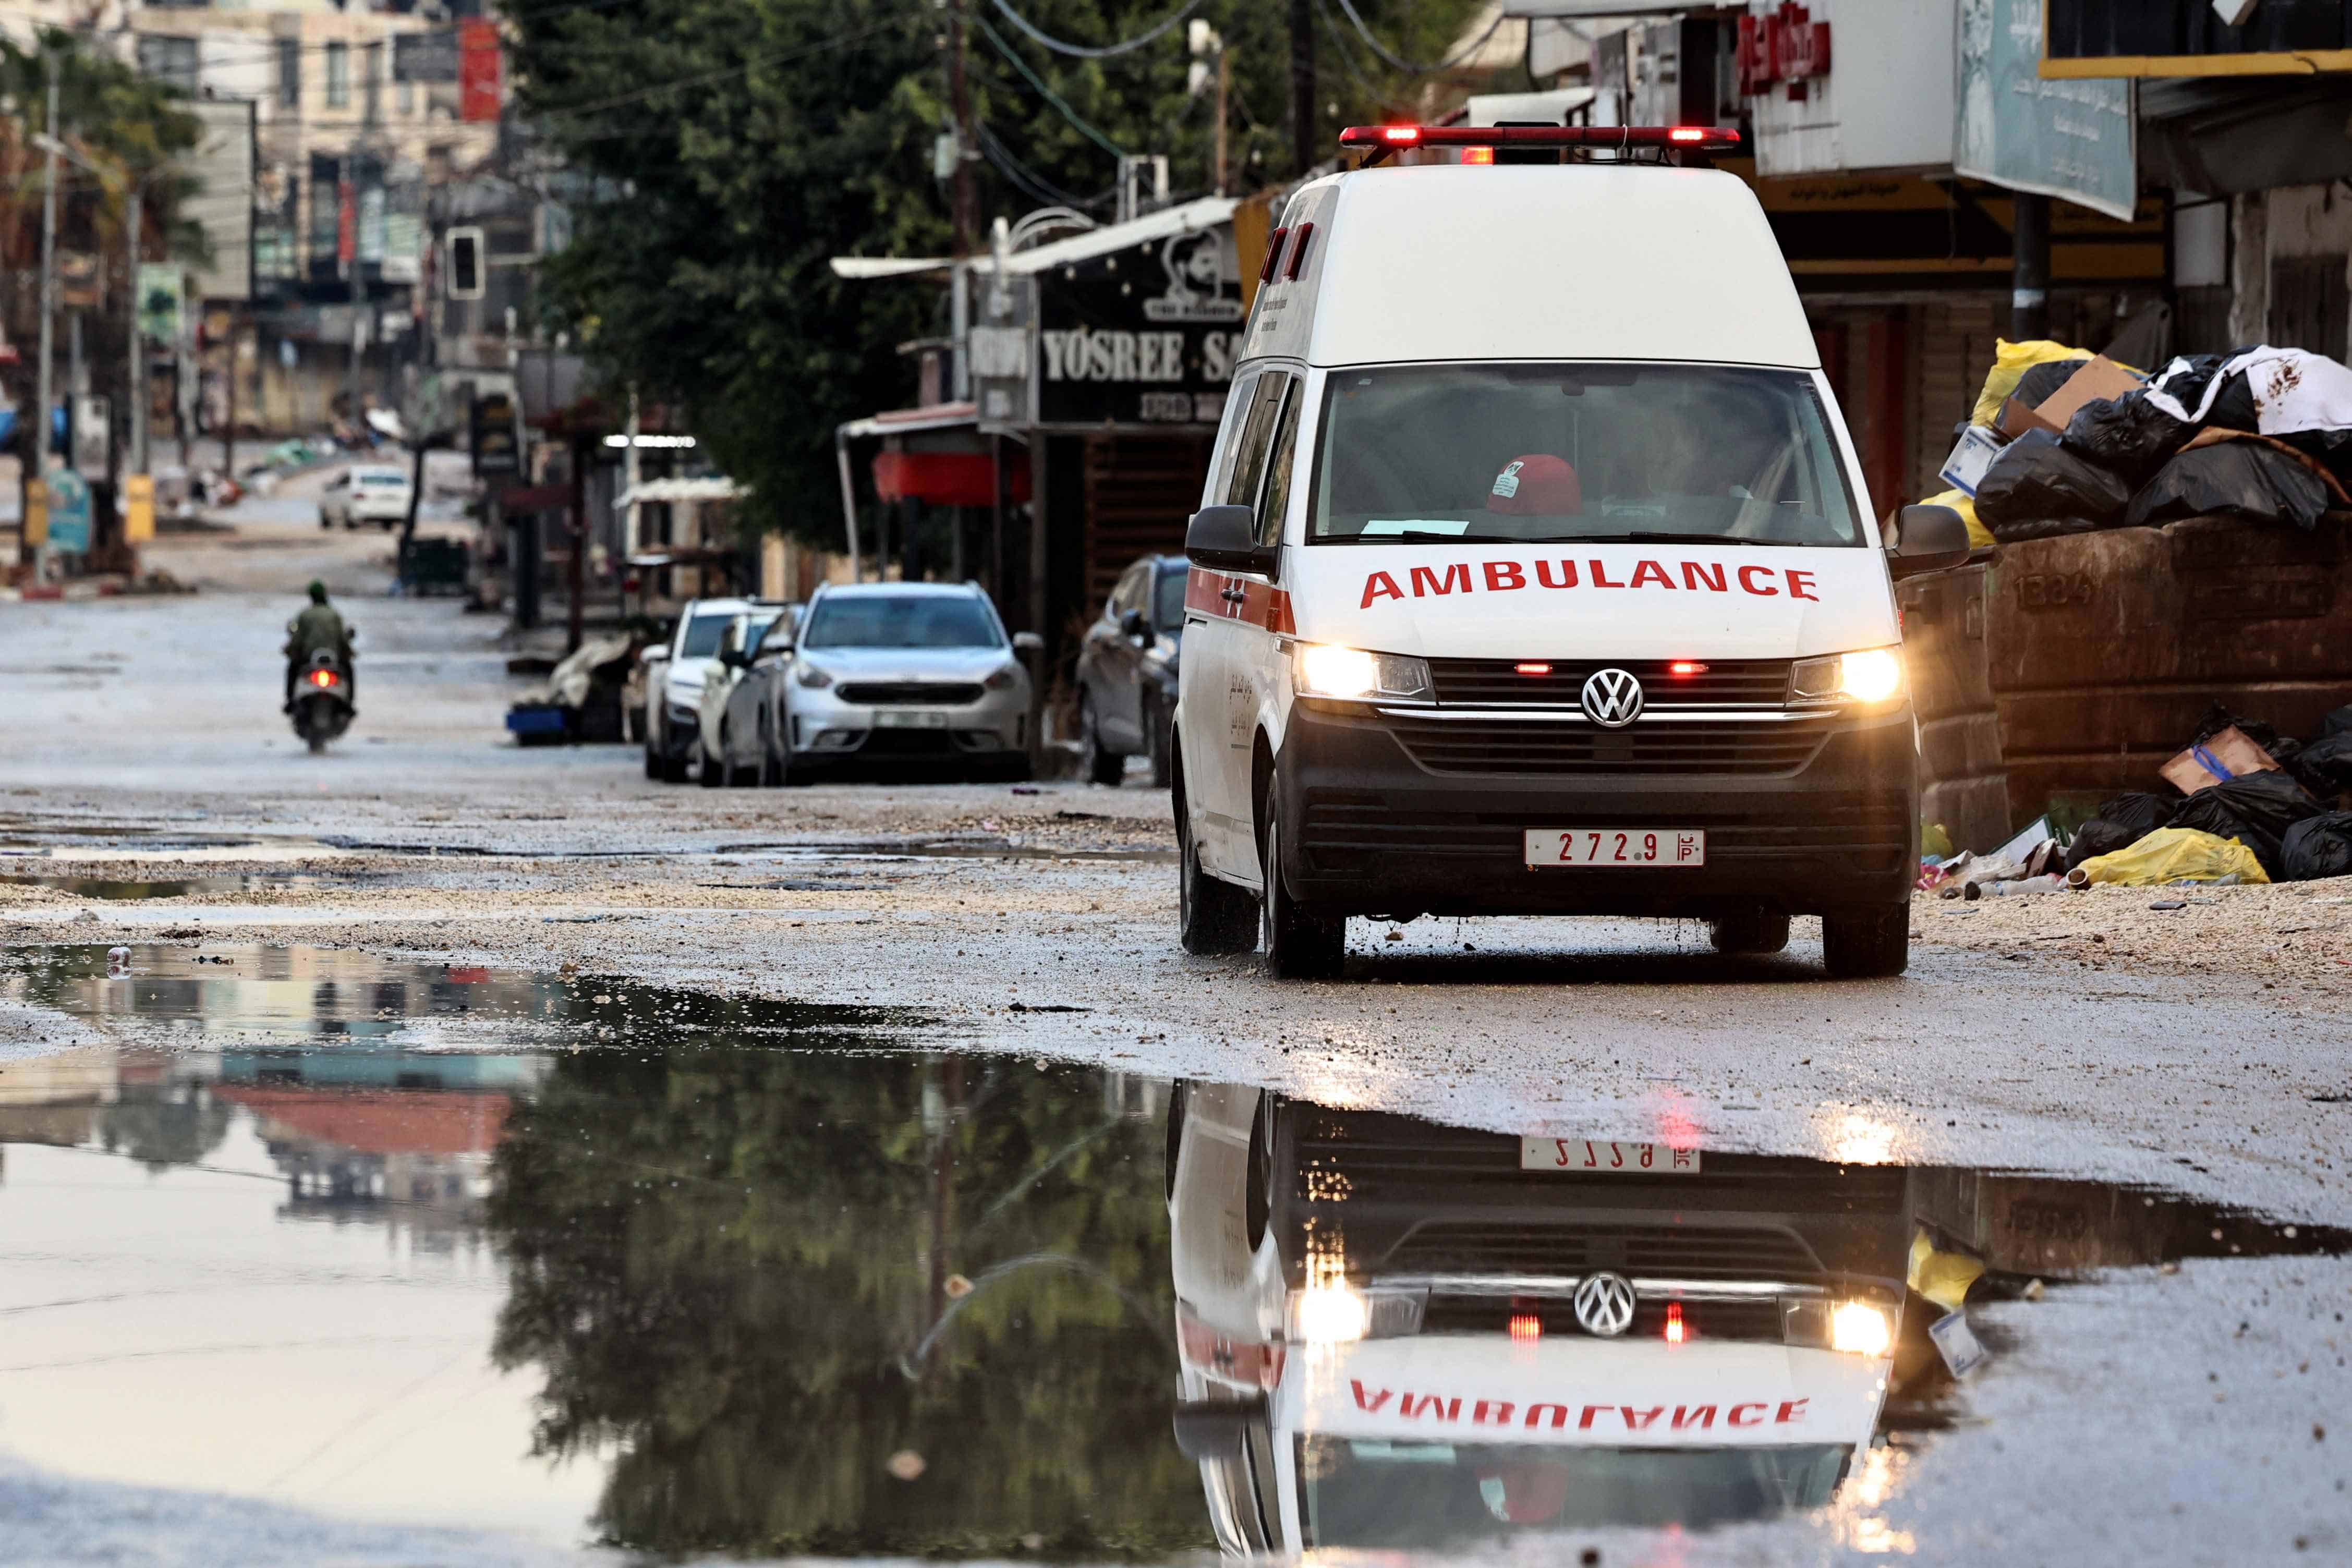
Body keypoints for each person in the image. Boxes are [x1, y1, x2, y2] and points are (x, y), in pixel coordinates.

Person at [284, 580, 355, 711]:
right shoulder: (334, 615)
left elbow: (297, 639)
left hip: (308, 658)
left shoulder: (305, 615)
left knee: (292, 668)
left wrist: (289, 650)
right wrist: (350, 652)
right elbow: (342, 639)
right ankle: (350, 703)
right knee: (349, 670)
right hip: (334, 658)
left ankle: (290, 701)